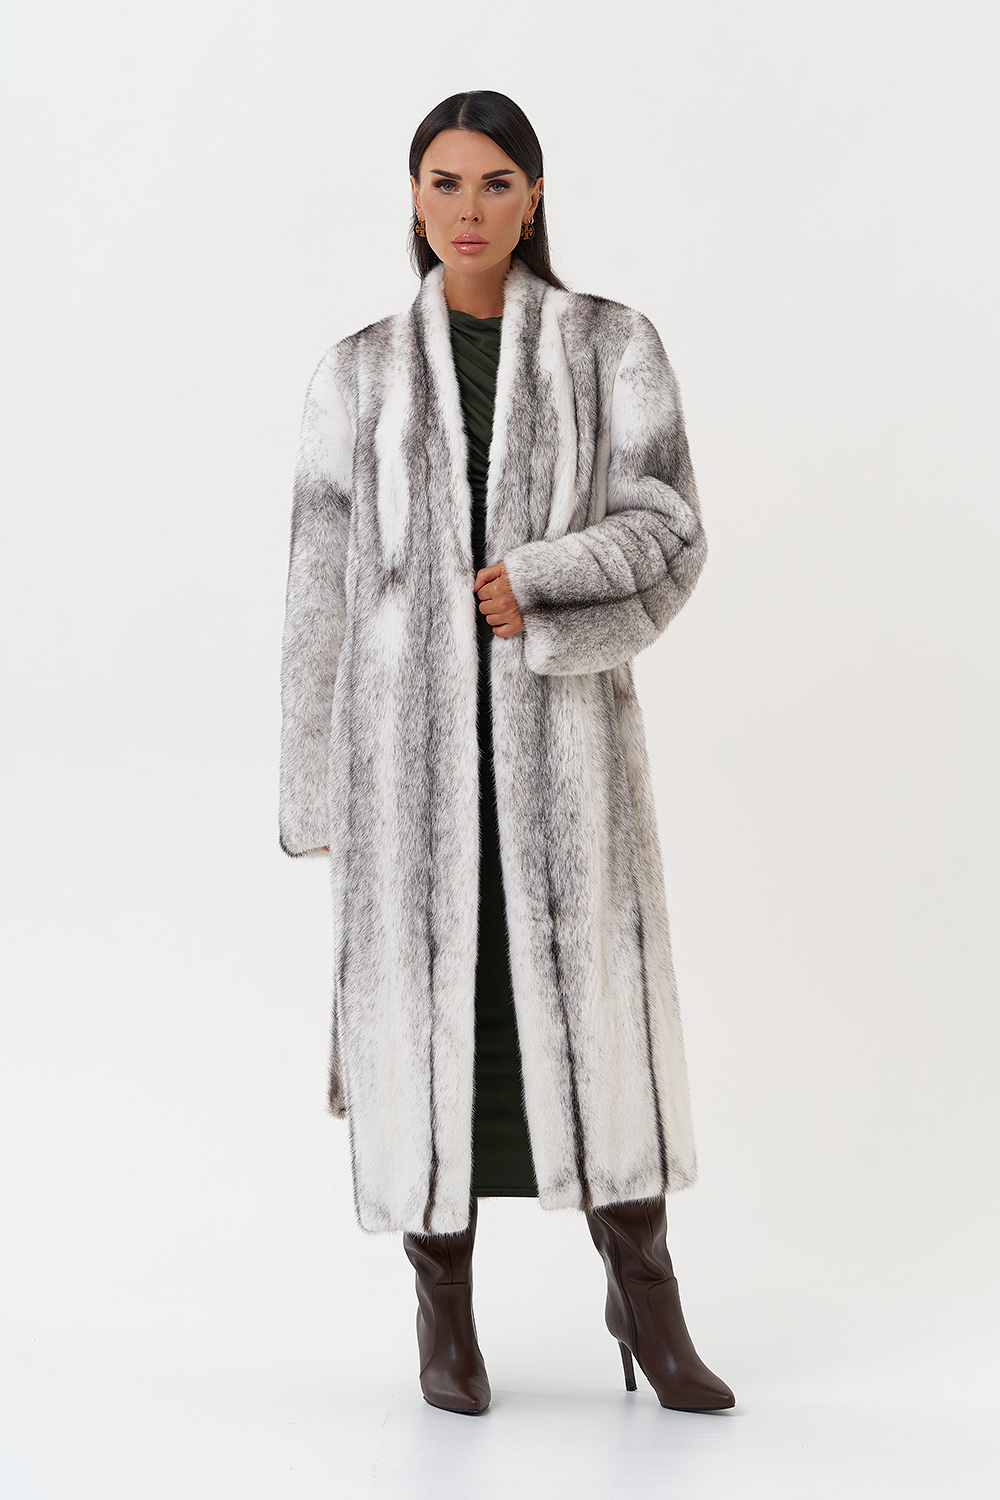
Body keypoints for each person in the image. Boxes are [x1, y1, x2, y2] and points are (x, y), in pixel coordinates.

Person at [278, 89, 734, 1416]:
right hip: (403, 772)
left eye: (493, 183)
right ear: (414, 201)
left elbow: (671, 528)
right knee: (428, 1034)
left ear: (534, 197)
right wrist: (315, 792)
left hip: (562, 765)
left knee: (597, 1024)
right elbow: (317, 592)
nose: (467, 209)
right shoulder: (357, 372)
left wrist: (541, 582)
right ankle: (444, 1311)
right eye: (444, 183)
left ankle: (646, 1299)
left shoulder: (611, 345)